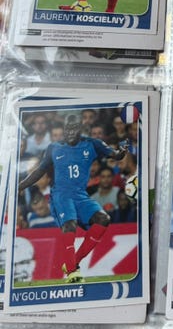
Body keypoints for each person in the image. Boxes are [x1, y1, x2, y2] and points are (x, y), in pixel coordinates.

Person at [18, 113, 128, 283]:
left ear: (80, 128)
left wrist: (121, 152)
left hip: (80, 195)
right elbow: (39, 171)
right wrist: (20, 186)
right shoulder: (54, 148)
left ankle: (73, 261)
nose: (70, 132)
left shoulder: (92, 144)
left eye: (74, 128)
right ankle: (72, 272)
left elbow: (115, 155)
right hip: (60, 195)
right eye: (67, 129)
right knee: (70, 225)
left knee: (103, 219)